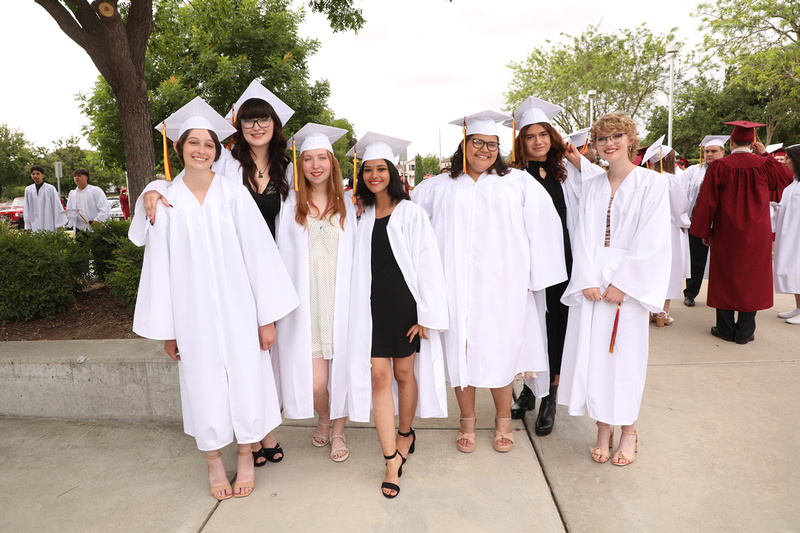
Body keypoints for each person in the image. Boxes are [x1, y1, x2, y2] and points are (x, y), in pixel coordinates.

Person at [130, 97, 298, 500]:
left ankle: (244, 456)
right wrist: (168, 331)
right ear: (180, 148)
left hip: (241, 310)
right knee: (202, 384)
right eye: (193, 143)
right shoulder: (166, 202)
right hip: (192, 316)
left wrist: (266, 318)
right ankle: (212, 463)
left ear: (218, 150)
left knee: (247, 379)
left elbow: (259, 255)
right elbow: (160, 271)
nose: (202, 150)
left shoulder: (234, 195)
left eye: (209, 144)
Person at [412, 110, 566, 454]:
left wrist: (535, 278)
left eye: (492, 144)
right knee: (461, 352)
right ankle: (467, 419)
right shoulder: (436, 187)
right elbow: (408, 224)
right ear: (464, 143)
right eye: (477, 142)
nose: (485, 149)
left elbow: (545, 229)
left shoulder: (517, 182)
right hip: (453, 287)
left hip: (504, 286)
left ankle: (501, 419)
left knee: (500, 352)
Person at [558, 112, 671, 466]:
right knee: (594, 359)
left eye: (616, 136)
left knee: (625, 360)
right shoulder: (591, 185)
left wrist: (624, 283)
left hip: (627, 287)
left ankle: (629, 431)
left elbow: (652, 239)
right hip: (593, 285)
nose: (609, 143)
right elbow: (581, 235)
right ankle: (602, 428)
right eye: (603, 138)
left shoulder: (652, 184)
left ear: (630, 139)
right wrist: (587, 279)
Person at [348, 133, 449, 498]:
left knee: (403, 373)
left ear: (392, 171)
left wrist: (427, 314)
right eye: (368, 170)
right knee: (378, 375)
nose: (374, 175)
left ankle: (406, 433)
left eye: (381, 169)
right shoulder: (357, 212)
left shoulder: (411, 213)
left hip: (403, 307)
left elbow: (428, 265)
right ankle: (391, 459)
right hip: (369, 309)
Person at [506, 97, 604, 436]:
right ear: (522, 142)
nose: (537, 141)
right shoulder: (512, 175)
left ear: (553, 137)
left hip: (565, 262)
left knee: (559, 328)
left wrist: (579, 163)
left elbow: (599, 191)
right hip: (528, 264)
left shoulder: (569, 172)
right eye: (530, 136)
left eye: (543, 134)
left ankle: (551, 396)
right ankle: (532, 391)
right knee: (532, 326)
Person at [273, 123, 356, 462]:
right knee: (316, 384)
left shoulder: (353, 203)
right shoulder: (288, 204)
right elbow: (280, 256)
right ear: (300, 164)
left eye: (323, 158)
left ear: (333, 164)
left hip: (342, 302)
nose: (316, 165)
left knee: (344, 373)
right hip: (308, 306)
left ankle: (337, 430)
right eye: (308, 159)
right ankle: (323, 415)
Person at [689, 121, 793, 344]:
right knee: (752, 278)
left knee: (724, 276)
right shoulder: (765, 165)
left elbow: (708, 203)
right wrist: (766, 155)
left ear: (732, 142)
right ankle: (745, 332)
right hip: (757, 232)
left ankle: (725, 329)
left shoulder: (719, 166)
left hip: (726, 231)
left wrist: (704, 230)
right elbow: (785, 178)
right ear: (753, 143)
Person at [641, 138, 690, 326]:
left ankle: (648, 309)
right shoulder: (671, 180)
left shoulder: (644, 179)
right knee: (669, 268)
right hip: (668, 230)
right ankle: (662, 313)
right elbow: (680, 209)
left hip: (647, 229)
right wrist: (685, 223)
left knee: (650, 267)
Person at [682, 135, 728, 307]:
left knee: (722, 262)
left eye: (714, 151)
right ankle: (691, 293)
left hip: (722, 224)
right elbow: (685, 195)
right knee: (696, 260)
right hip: (698, 221)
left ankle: (721, 297)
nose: (710, 154)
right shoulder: (694, 170)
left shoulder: (729, 169)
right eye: (707, 151)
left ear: (723, 152)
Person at [772, 144, 800, 324]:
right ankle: (798, 307)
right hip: (789, 231)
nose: (786, 161)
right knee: (792, 270)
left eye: (788, 158)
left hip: (797, 234)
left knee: (797, 269)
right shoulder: (793, 183)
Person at [23, 165, 65, 231]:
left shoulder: (50, 188)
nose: (35, 176)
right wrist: (28, 226)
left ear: (42, 175)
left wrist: (59, 224)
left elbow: (57, 206)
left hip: (48, 222)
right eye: (33, 174)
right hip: (34, 223)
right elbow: (26, 208)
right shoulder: (28, 190)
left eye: (37, 173)